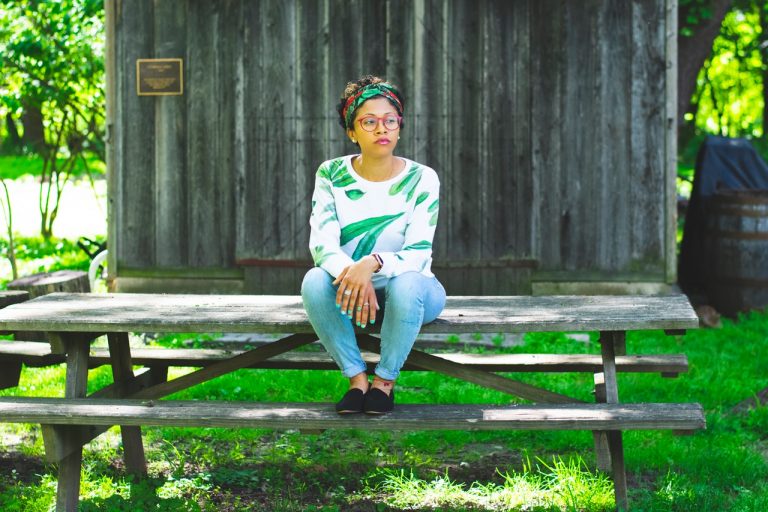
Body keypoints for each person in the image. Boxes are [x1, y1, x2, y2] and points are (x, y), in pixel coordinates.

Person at [301, 75, 446, 415]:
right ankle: (356, 379)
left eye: (390, 120)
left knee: (407, 283)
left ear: (399, 127)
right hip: (350, 293)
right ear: (352, 131)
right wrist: (356, 276)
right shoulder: (331, 174)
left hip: (416, 292)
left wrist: (372, 264)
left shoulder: (422, 178)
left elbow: (418, 252)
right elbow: (322, 244)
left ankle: (384, 382)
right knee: (313, 280)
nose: (382, 128)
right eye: (369, 121)